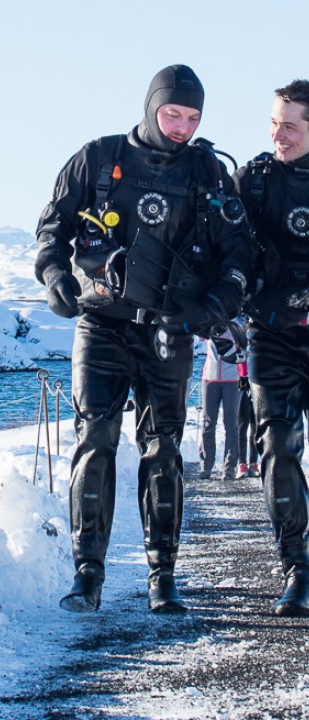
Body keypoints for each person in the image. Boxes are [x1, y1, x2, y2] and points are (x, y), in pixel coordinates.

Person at [35, 64, 254, 614]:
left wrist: (220, 301)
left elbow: (240, 251)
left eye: (192, 117)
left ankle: (164, 576)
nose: (182, 125)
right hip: (102, 321)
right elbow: (52, 228)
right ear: (151, 106)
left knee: (162, 450)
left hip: (169, 329)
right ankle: (87, 575)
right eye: (173, 113)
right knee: (97, 438)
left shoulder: (209, 174)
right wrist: (55, 275)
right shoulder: (97, 158)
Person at [235, 79, 309, 617]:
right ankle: (297, 569)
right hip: (273, 333)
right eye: (273, 123)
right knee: (277, 447)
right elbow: (215, 245)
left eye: (290, 125)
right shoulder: (254, 183)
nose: (277, 134)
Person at [199, 330, 242, 481]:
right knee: (208, 424)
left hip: (232, 379)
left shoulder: (237, 324)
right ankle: (206, 466)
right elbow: (200, 335)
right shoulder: (210, 323)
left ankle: (229, 468)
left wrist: (243, 375)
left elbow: (244, 349)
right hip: (210, 378)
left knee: (231, 423)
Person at [236, 356, 259, 479]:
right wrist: (242, 375)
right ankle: (241, 464)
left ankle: (253, 462)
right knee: (242, 426)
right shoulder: (241, 339)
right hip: (242, 383)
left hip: (257, 383)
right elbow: (238, 357)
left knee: (256, 426)